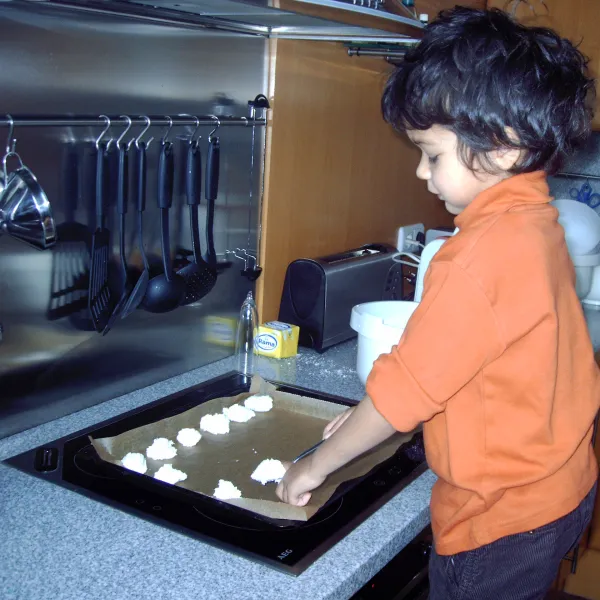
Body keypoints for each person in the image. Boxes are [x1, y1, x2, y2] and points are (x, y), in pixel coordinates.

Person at [276, 7, 600, 599]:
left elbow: (405, 393)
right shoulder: (536, 222)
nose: (421, 173)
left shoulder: (478, 255)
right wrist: (369, 411)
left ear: (503, 148)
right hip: (558, 489)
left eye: (432, 153)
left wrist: (317, 462)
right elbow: (472, 361)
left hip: (498, 519)